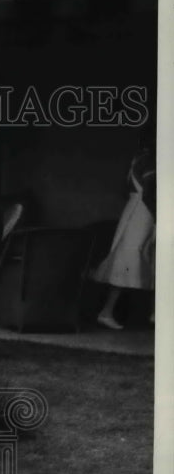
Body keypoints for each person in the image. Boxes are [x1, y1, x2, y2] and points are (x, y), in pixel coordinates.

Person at [93, 130, 156, 330]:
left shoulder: (137, 159)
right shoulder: (149, 161)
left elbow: (127, 188)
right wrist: (158, 216)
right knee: (133, 257)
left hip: (135, 207)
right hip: (144, 210)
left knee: (140, 256)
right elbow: (150, 192)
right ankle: (107, 311)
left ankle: (153, 311)